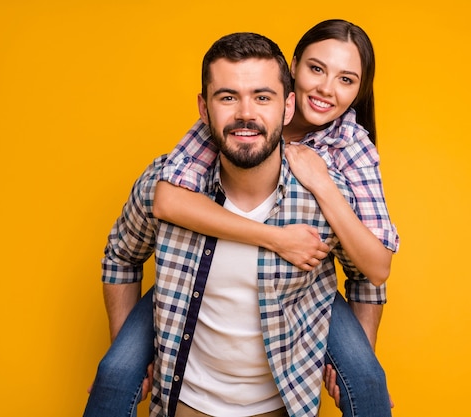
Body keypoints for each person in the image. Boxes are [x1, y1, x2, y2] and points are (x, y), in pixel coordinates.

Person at [84, 20, 398, 417]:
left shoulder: (349, 149)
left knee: (368, 381)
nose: (325, 89)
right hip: (184, 362)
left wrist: (322, 184)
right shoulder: (216, 132)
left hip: (307, 301)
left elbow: (374, 270)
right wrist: (274, 238)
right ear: (295, 68)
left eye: (346, 79)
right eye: (316, 69)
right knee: (114, 373)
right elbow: (164, 199)